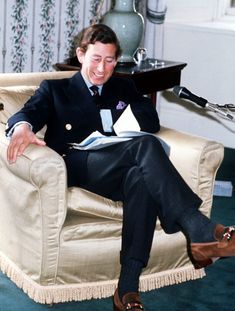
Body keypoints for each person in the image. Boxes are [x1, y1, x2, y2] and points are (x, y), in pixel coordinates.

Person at [6, 24, 235, 311]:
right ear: (81, 55)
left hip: (120, 164)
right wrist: (21, 128)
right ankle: (197, 227)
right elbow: (27, 113)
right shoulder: (56, 89)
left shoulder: (123, 86)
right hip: (78, 164)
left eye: (110, 60)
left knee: (141, 178)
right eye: (96, 59)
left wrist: (120, 121)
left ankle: (127, 288)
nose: (102, 68)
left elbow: (149, 119)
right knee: (146, 147)